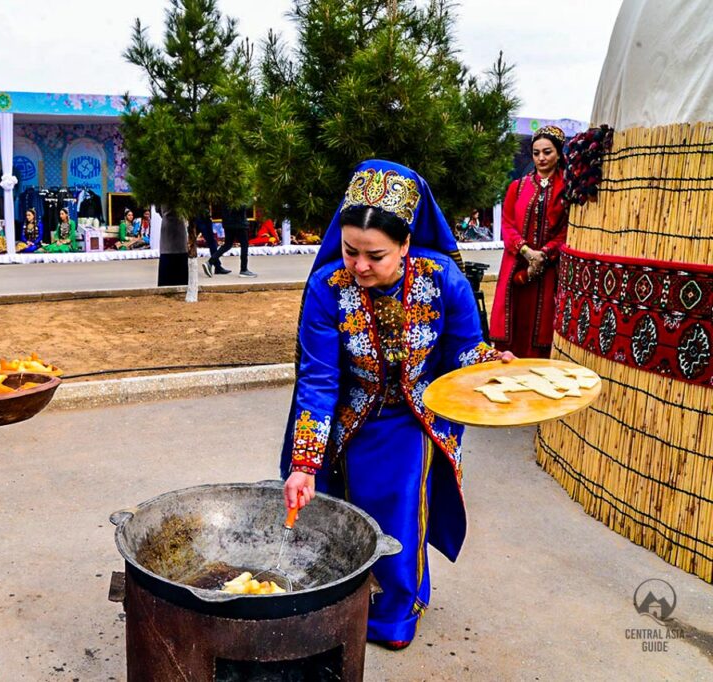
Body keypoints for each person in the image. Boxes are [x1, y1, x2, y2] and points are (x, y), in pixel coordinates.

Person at [280, 160, 514, 651]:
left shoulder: (443, 278)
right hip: (348, 416)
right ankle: (342, 602)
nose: (359, 266)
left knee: (401, 504)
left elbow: (465, 351)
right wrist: (305, 464)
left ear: (406, 244)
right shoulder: (328, 290)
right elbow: (320, 381)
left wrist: (494, 364)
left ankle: (392, 615)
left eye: (375, 255)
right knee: (334, 506)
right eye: (350, 251)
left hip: (417, 416)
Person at [489, 125, 569, 358]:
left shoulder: (567, 190)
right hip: (516, 264)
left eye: (547, 152)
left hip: (548, 270)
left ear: (559, 153)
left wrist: (543, 254)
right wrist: (526, 252)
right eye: (536, 153)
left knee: (542, 326)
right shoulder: (518, 186)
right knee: (513, 322)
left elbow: (566, 230)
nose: (541, 158)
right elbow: (507, 224)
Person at [209, 205, 256, 277]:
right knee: (244, 245)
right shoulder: (239, 195)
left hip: (228, 223)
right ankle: (244, 269)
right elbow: (242, 207)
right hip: (239, 224)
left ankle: (210, 262)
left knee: (227, 245)